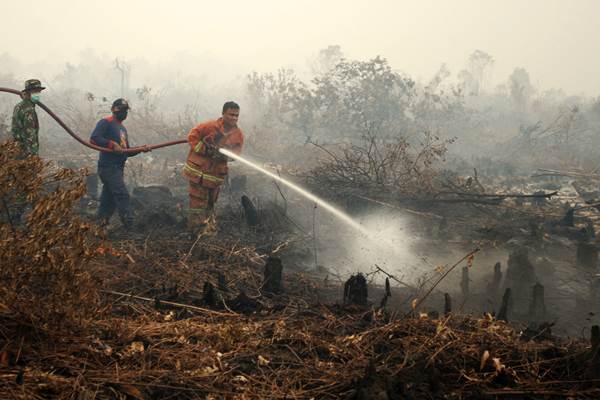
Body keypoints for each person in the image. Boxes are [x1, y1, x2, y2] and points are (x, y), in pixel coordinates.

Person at [183, 101, 244, 234]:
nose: (234, 118)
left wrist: (224, 154)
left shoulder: (238, 135)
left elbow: (236, 154)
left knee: (210, 203)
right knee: (197, 204)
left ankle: (208, 231)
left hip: (214, 177)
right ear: (223, 113)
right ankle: (195, 231)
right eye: (231, 114)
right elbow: (192, 137)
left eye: (236, 115)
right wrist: (206, 150)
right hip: (198, 173)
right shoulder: (209, 126)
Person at [90, 98, 149, 231]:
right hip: (108, 167)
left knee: (108, 198)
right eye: (122, 110)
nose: (124, 113)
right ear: (114, 110)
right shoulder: (106, 122)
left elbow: (126, 151)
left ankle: (100, 225)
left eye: (126, 111)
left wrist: (140, 149)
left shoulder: (122, 129)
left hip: (117, 168)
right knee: (122, 195)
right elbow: (94, 138)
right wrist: (111, 144)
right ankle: (129, 225)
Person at [11, 79, 45, 157]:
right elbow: (30, 134)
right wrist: (33, 156)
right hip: (26, 153)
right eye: (34, 91)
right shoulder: (28, 109)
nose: (37, 94)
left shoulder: (19, 106)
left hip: (18, 151)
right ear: (28, 92)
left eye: (38, 91)